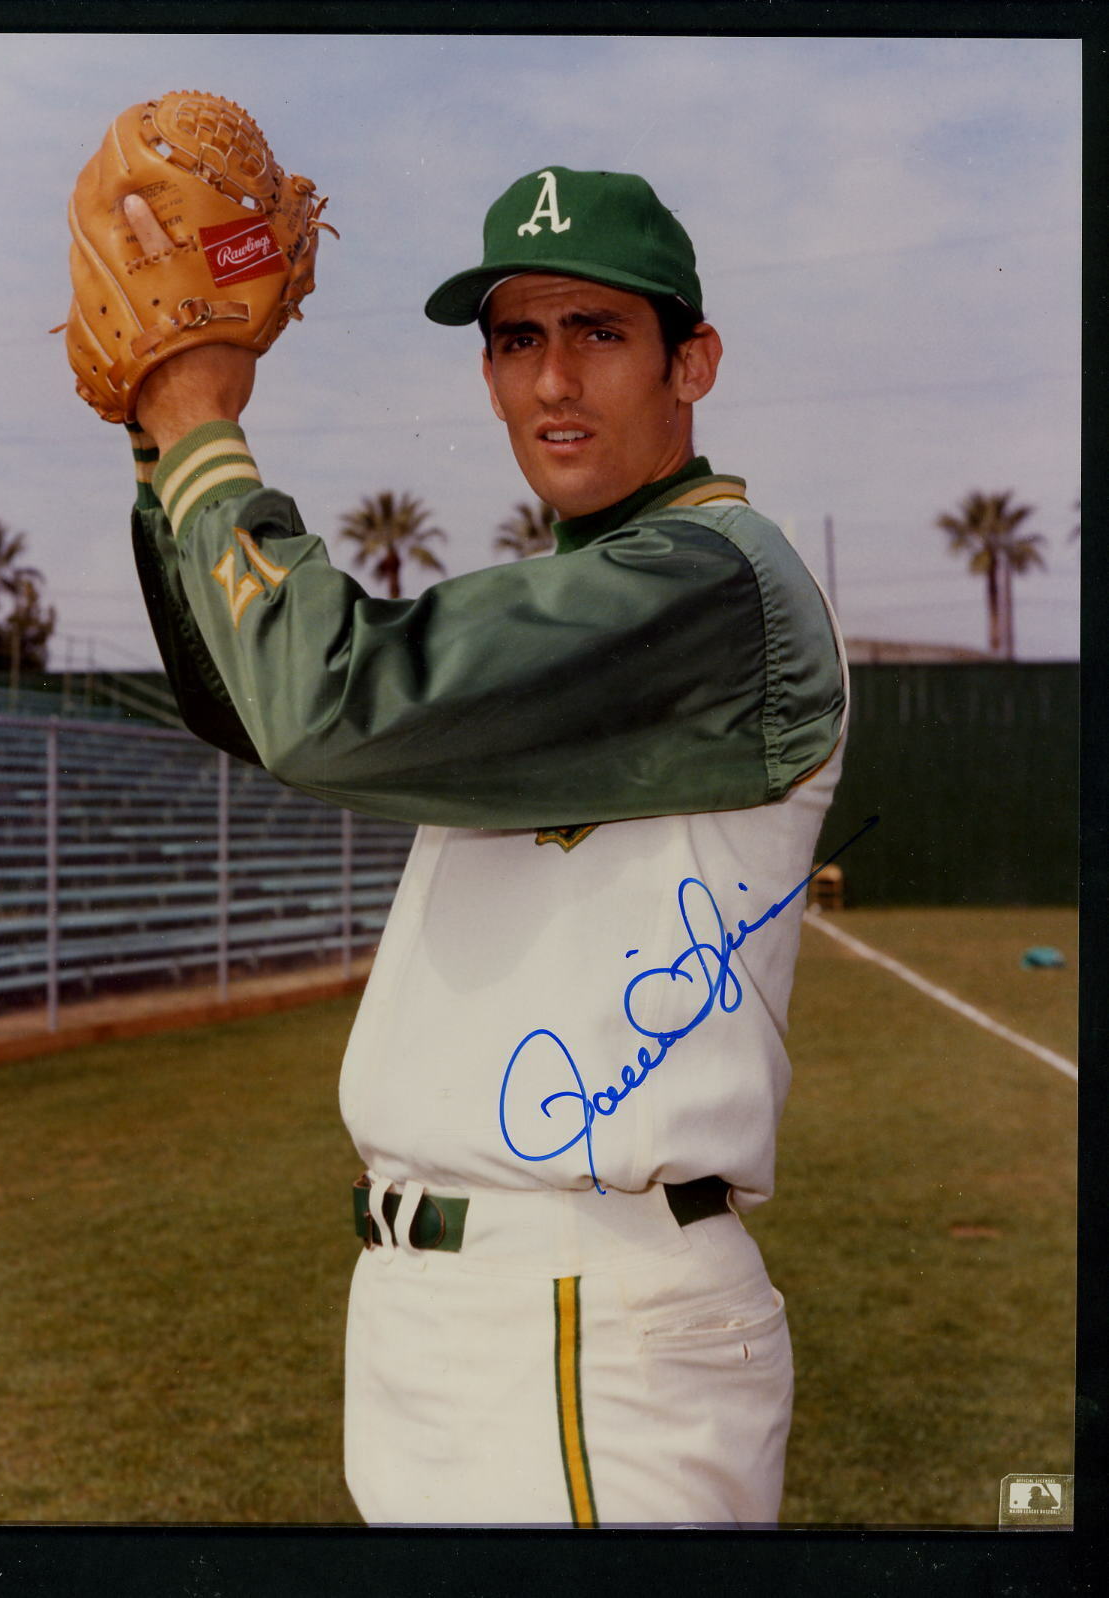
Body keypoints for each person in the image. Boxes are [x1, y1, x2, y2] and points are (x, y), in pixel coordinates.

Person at [123, 165, 848, 1528]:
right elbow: (250, 700)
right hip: (451, 1309)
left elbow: (321, 705)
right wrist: (160, 445)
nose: (552, 380)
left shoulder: (714, 582)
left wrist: (200, 419)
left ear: (690, 359)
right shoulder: (585, 587)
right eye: (516, 340)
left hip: (584, 1315)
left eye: (598, 332)